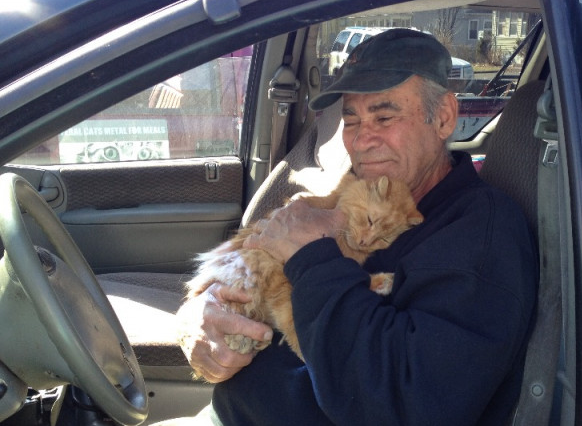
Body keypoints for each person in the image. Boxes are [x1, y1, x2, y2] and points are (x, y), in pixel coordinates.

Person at [176, 28, 538, 425]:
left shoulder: (480, 233)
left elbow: (407, 402)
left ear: (445, 117)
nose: (363, 140)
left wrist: (311, 258)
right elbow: (255, 265)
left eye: (384, 116)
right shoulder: (354, 192)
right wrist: (200, 312)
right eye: (351, 120)